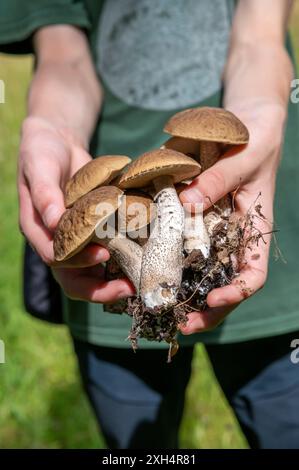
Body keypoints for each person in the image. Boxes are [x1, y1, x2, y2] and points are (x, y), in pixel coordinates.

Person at [1, 0, 299, 449]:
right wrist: (50, 126)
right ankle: (156, 304)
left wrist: (265, 109)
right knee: (137, 448)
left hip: (265, 229)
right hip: (112, 282)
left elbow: (259, 36)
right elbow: (64, 57)